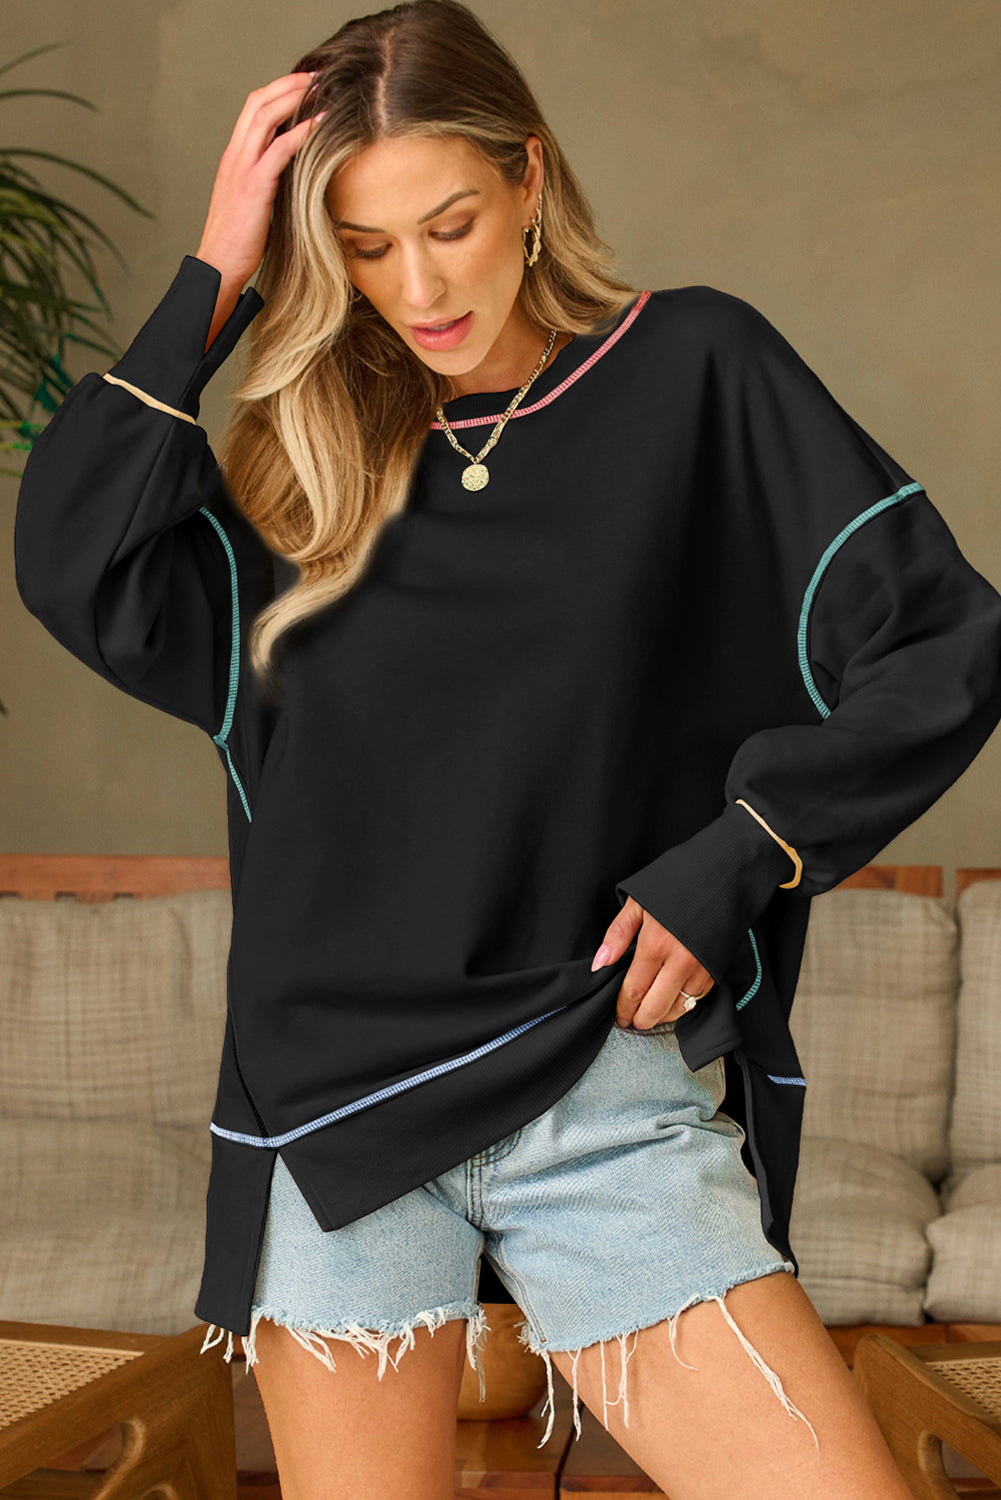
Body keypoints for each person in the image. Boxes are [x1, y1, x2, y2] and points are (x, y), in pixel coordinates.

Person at [13, 3, 1001, 1497]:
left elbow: (945, 638)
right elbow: (70, 558)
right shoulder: (297, 459)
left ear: (529, 178)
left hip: (603, 1087)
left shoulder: (696, 372)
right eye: (362, 245)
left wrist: (741, 854)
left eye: (451, 225)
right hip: (334, 1115)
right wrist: (217, 268)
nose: (417, 287)